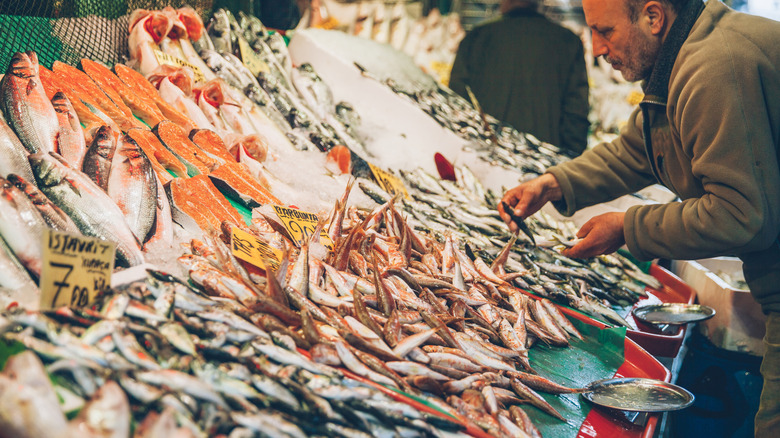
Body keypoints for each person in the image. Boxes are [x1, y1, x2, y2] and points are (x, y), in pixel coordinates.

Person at [498, 0, 780, 435]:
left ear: (653, 17)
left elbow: (741, 213)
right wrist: (553, 183)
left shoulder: (713, 67)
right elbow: (637, 150)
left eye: (605, 31)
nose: (594, 48)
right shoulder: (678, 63)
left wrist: (628, 227)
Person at [448, 0, 590, 155]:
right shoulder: (568, 42)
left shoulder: (476, 39)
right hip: (544, 165)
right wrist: (567, 164)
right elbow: (576, 117)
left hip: (485, 159)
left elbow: (456, 104)